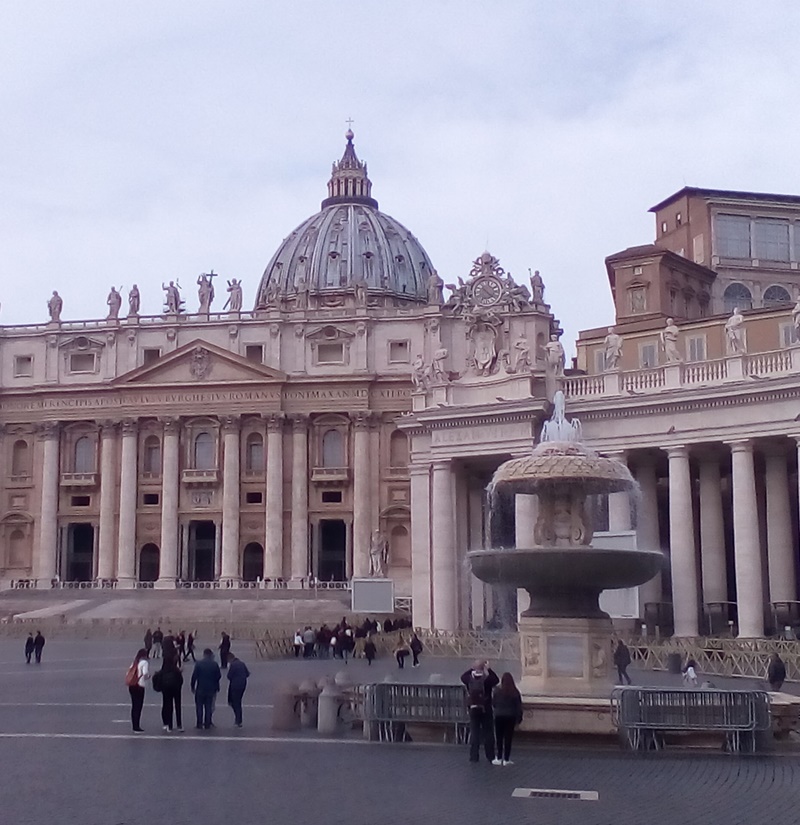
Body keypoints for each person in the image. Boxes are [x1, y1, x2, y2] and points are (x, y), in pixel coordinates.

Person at [461, 660, 500, 763]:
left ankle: (474, 756)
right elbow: (496, 680)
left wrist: (473, 667)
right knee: (488, 732)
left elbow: (462, 676)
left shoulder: (469, 678)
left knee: (475, 732)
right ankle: (490, 756)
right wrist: (488, 669)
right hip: (486, 708)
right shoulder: (487, 679)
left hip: (473, 708)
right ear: (483, 668)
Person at [492, 672, 523, 766]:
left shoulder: (497, 690)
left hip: (499, 716)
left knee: (499, 737)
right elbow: (518, 706)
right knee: (508, 738)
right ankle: (506, 758)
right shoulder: (514, 692)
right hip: (510, 716)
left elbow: (494, 703)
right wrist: (519, 718)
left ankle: (499, 757)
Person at [191, 648, 221, 730]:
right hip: (211, 689)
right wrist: (216, 686)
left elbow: (194, 677)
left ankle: (199, 723)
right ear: (210, 655)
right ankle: (207, 723)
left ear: (204, 654)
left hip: (200, 688)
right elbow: (218, 676)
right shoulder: (214, 664)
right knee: (208, 706)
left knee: (199, 706)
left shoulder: (199, 664)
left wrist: (192, 686)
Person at [159, 651, 184, 733]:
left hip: (166, 689)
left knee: (168, 706)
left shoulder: (164, 670)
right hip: (176, 689)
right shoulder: (176, 670)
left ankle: (169, 725)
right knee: (178, 706)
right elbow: (181, 680)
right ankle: (179, 725)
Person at [127, 648, 150, 732]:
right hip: (139, 685)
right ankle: (137, 726)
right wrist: (148, 677)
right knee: (139, 706)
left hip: (132, 685)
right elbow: (145, 673)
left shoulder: (134, 662)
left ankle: (134, 725)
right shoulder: (144, 662)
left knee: (134, 705)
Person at [226, 652, 250, 728]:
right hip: (243, 684)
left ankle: (238, 720)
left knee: (235, 703)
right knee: (238, 701)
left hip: (235, 685)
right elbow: (247, 674)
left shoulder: (233, 665)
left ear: (229, 659)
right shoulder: (242, 663)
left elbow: (229, 676)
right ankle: (238, 719)